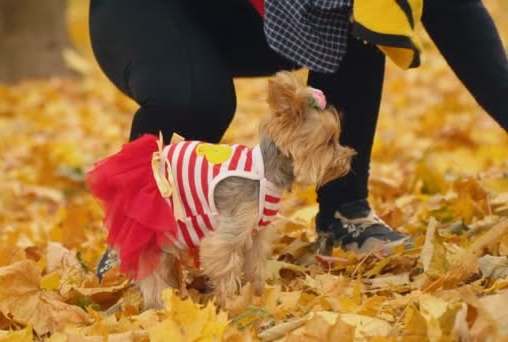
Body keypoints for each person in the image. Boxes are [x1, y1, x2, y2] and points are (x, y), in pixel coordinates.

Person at [88, 0, 507, 275]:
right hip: (156, 13)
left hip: (274, 17)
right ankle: (134, 238)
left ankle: (345, 214)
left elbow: (455, 11)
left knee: (373, 8)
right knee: (196, 102)